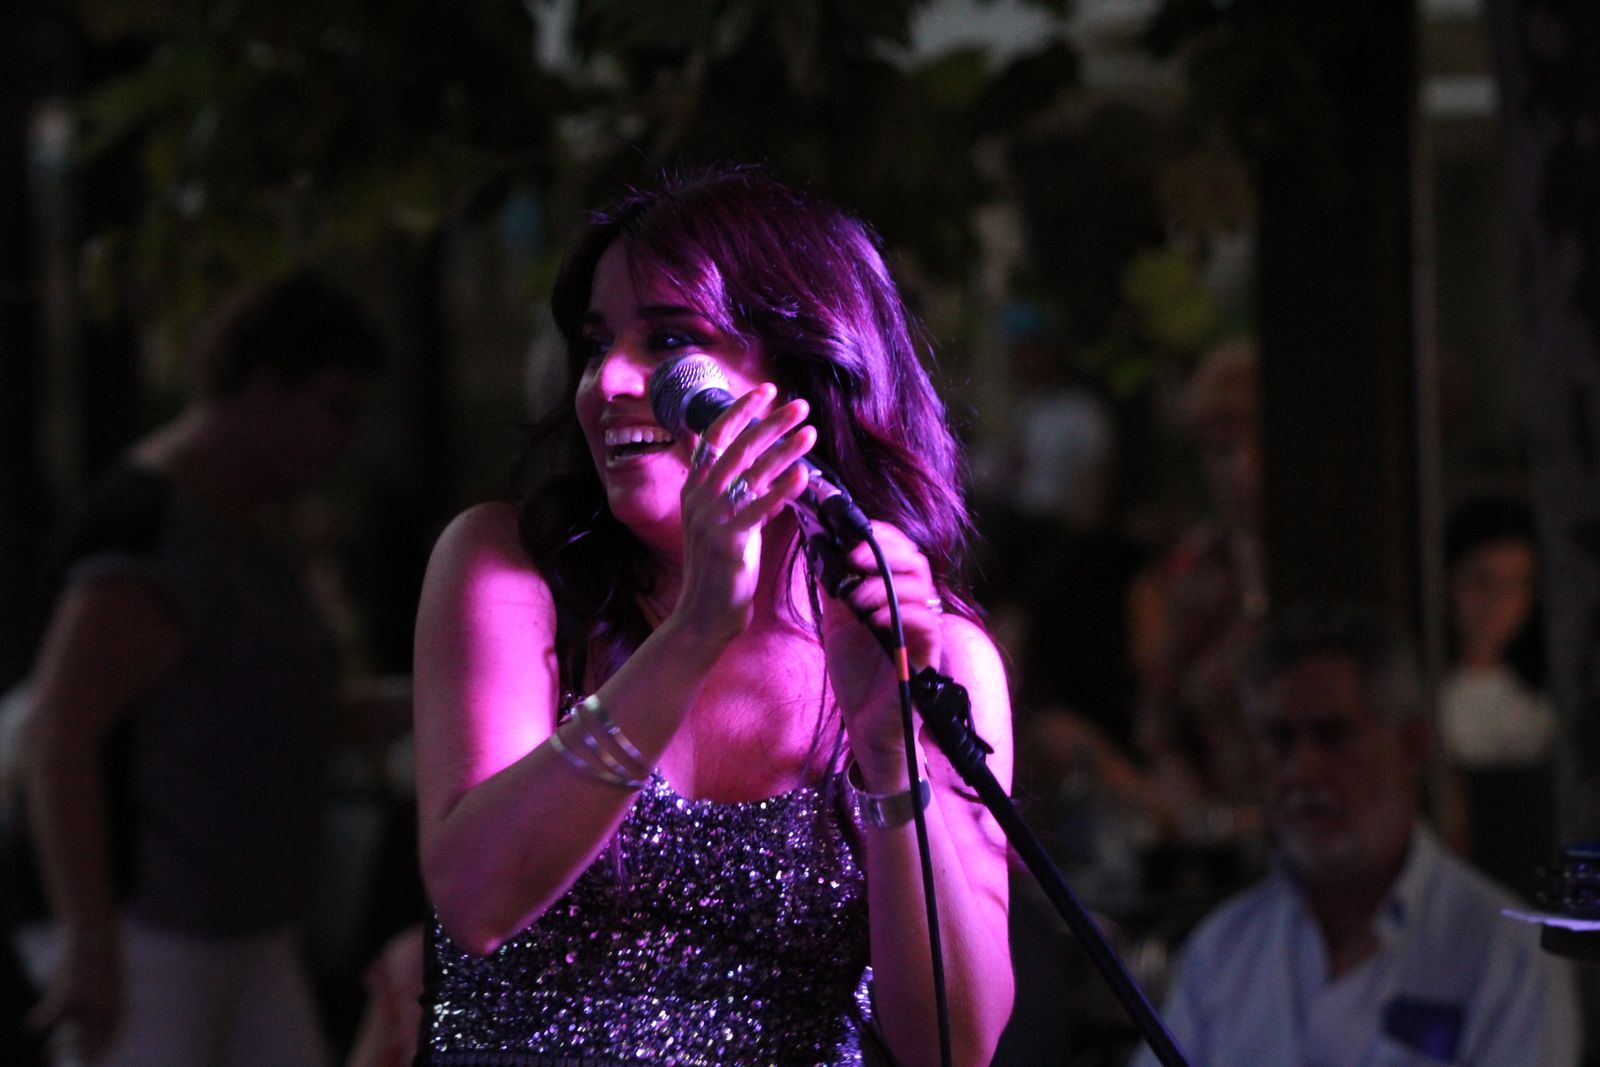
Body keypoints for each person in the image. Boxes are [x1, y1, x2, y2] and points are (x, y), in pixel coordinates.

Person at [411, 165, 1015, 1066]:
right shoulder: (509, 571)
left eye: (669, 344)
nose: (608, 380)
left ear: (803, 374)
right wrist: (696, 632)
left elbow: (952, 1049)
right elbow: (475, 898)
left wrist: (890, 756)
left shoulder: (929, 644)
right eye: (593, 343)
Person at [2, 272, 385, 1066]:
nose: (345, 438)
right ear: (262, 388)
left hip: (241, 924)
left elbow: (252, 701)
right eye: (333, 406)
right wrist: (92, 940)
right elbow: (58, 735)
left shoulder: (249, 525)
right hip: (149, 931)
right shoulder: (152, 533)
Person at [1129, 602, 1580, 1067]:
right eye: (1280, 739)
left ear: (1411, 745)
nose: (1302, 771)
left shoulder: (1507, 956)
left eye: (1333, 736)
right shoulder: (1222, 953)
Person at [1438, 493, 1558, 900]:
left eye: (1515, 585)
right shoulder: (1428, 700)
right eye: (1481, 581)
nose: (1497, 603)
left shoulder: (1543, 705)